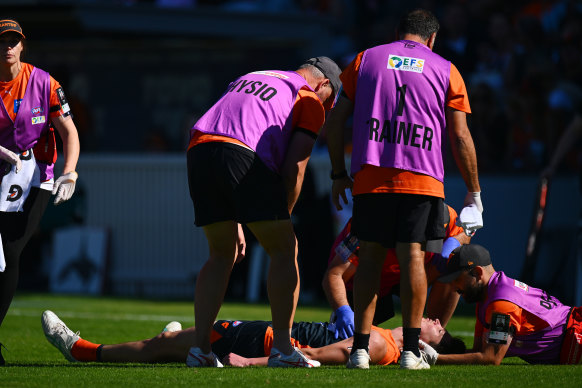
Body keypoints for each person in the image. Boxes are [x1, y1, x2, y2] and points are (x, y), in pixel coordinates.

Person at [324, 9, 482, 369]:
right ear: (432, 39)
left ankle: (360, 350)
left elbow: (335, 122)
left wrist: (337, 173)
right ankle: (411, 351)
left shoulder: (365, 59)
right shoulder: (446, 69)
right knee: (413, 256)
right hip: (422, 179)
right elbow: (459, 136)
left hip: (371, 177)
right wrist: (474, 192)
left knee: (371, 260)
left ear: (398, 33)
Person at [186, 57, 341, 368]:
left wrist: (238, 213)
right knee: (286, 249)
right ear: (324, 85)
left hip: (199, 149)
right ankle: (283, 350)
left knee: (221, 253)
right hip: (241, 153)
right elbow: (295, 168)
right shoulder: (308, 97)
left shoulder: (254, 74)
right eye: (330, 103)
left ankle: (200, 350)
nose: (326, 111)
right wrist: (283, 218)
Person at [0, 19, 80, 366]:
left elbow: (68, 132)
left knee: (11, 252)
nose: (8, 47)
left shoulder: (44, 82)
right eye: (2, 40)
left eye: (14, 41)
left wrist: (70, 172)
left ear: (23, 45)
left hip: (35, 177)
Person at [41, 310, 464, 367]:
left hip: (258, 342)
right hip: (263, 336)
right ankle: (176, 341)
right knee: (168, 345)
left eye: (436, 327)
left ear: (425, 344)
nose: (433, 318)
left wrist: (253, 362)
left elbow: (312, 356)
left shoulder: (382, 346)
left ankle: (82, 350)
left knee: (158, 346)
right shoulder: (385, 336)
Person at [323, 203, 470, 340]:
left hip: (413, 273)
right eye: (422, 240)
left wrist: (455, 241)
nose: (426, 247)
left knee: (455, 264)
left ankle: (431, 338)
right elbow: (334, 274)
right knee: (349, 340)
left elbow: (466, 232)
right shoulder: (368, 225)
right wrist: (344, 311)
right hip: (367, 280)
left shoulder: (445, 215)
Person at [421, 243, 582, 365]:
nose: (455, 287)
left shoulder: (501, 303)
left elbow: (491, 357)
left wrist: (435, 359)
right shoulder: (488, 296)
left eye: (457, 279)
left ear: (477, 273)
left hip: (576, 336)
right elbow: (479, 351)